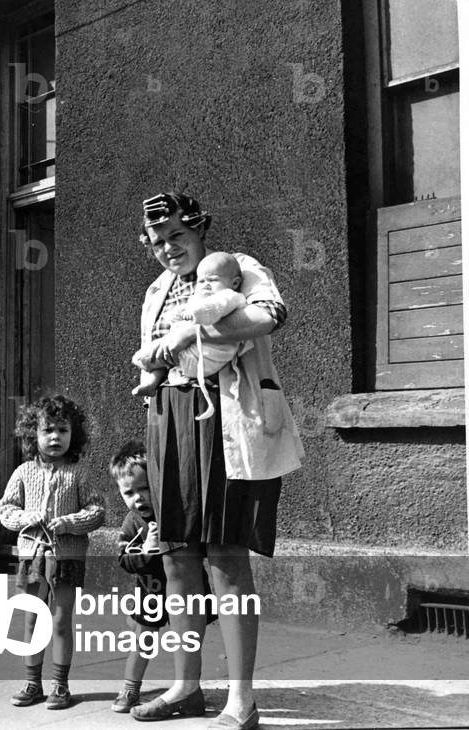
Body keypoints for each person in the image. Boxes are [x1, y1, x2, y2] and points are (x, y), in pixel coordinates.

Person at [129, 192, 304, 730]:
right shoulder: (157, 289)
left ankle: (241, 698)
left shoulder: (239, 268)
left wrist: (194, 330)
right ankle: (185, 686)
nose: (167, 250)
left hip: (226, 418)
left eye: (176, 237)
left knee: (226, 557)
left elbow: (269, 316)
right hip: (171, 418)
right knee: (178, 557)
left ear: (199, 229)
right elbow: (154, 357)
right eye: (158, 242)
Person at [0, 395, 105, 710]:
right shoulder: (23, 472)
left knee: (60, 620)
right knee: (32, 619)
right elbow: (5, 508)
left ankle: (60, 684)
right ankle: (32, 682)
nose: (56, 437)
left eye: (63, 430)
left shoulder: (79, 473)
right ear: (34, 436)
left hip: (67, 558)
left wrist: (70, 522)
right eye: (48, 430)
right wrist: (24, 518)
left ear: (75, 435)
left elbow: (97, 510)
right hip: (32, 558)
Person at [109, 440, 216, 714]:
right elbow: (125, 560)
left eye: (145, 488)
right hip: (152, 593)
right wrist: (147, 551)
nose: (139, 498)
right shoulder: (132, 523)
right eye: (129, 492)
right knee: (143, 641)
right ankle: (130, 687)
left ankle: (189, 686)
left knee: (189, 638)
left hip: (185, 590)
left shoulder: (174, 514)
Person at [132, 252, 250, 417]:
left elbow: (214, 310)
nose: (206, 285)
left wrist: (193, 314)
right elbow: (183, 310)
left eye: (213, 280)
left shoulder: (230, 296)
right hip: (189, 356)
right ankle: (151, 382)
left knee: (163, 356)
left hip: (209, 354)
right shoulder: (198, 296)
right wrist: (178, 314)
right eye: (201, 281)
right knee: (162, 356)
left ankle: (154, 362)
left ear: (235, 282)